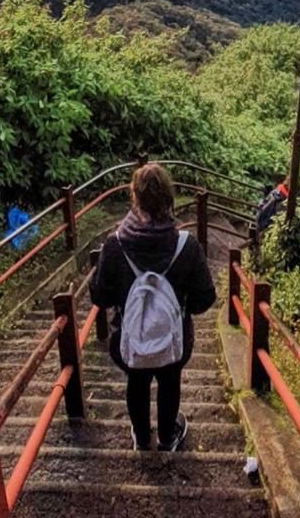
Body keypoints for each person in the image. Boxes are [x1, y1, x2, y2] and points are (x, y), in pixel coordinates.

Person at [90, 163, 216, 451]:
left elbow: (99, 296)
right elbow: (206, 297)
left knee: (136, 380)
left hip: (130, 339)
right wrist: (179, 309)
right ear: (170, 197)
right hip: (174, 341)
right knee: (170, 382)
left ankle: (142, 437)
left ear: (134, 197)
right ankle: (167, 436)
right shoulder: (187, 246)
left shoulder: (115, 245)